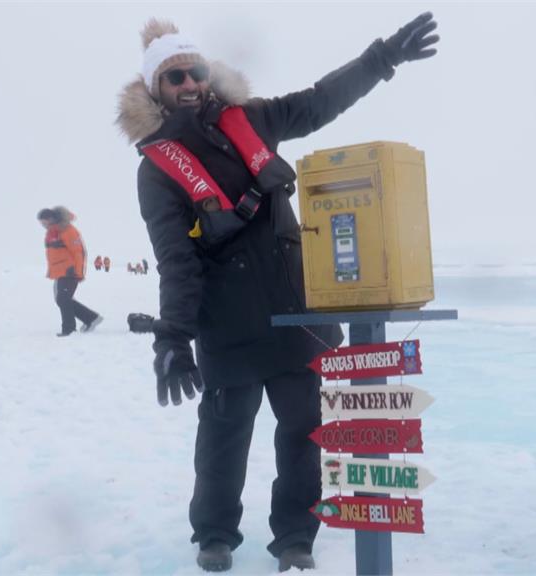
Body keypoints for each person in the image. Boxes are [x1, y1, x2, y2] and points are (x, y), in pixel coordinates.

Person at [116, 14, 438, 572]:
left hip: (296, 316)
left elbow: (320, 101)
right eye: (175, 79)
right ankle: (214, 534)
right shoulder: (157, 170)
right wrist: (172, 337)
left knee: (303, 433)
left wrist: (383, 57)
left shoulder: (255, 119)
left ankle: (295, 536)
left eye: (194, 71)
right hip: (226, 325)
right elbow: (176, 260)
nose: (189, 83)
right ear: (157, 91)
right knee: (223, 440)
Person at [37, 207, 103, 336]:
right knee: (62, 299)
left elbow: (79, 251)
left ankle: (69, 329)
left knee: (62, 298)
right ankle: (91, 318)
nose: (42, 225)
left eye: (43, 222)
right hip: (60, 272)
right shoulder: (52, 232)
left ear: (50, 219)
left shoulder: (67, 230)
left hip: (70, 271)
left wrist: (78, 272)